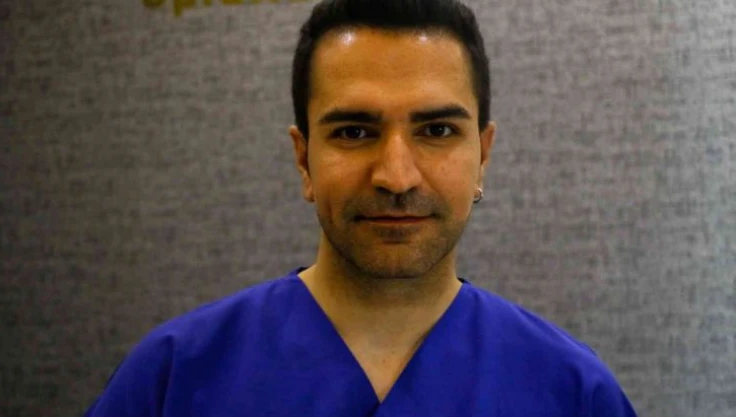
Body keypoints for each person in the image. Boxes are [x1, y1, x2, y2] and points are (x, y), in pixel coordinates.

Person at [84, 0, 638, 415]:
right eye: (353, 131)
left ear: (483, 157)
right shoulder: (173, 379)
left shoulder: (573, 393)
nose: (396, 176)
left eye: (437, 130)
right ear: (304, 159)